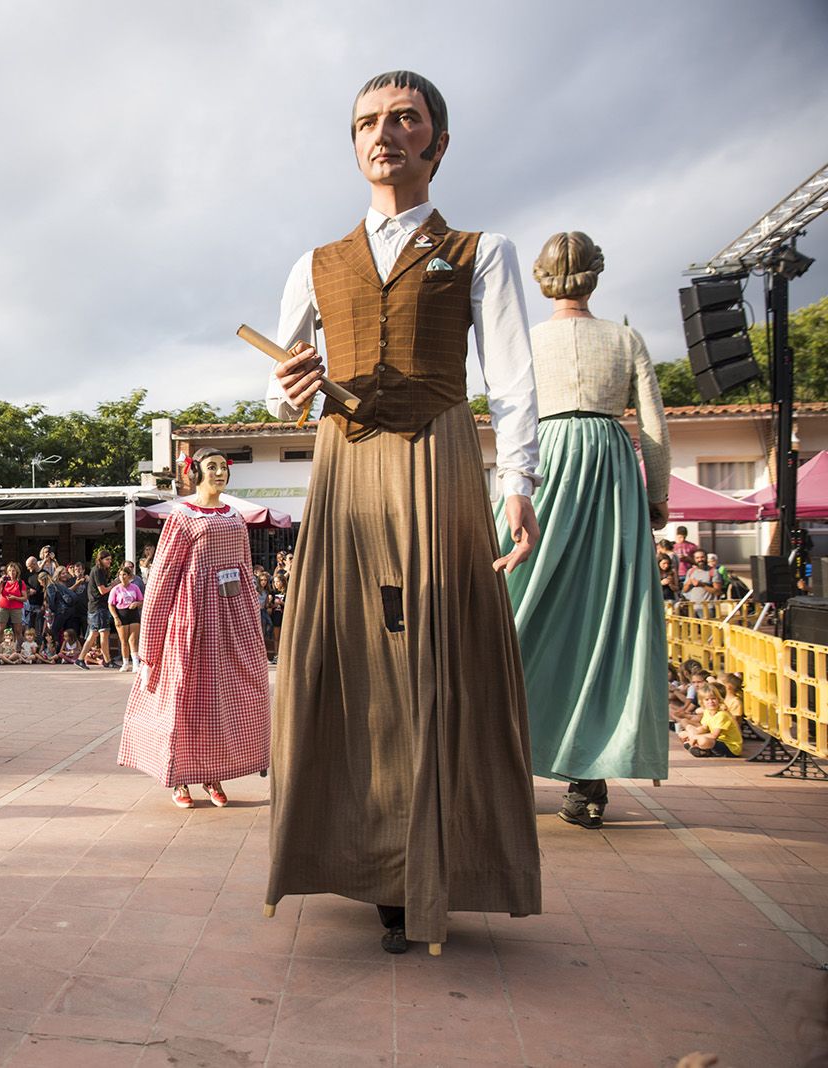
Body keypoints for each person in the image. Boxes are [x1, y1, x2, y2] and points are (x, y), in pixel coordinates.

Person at [263, 70, 543, 954]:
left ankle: (434, 867)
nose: (385, 133)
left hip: (439, 456)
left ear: (438, 142)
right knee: (348, 657)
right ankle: (371, 861)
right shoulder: (315, 262)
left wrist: (519, 484)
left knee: (435, 659)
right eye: (368, 122)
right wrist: (288, 385)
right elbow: (279, 400)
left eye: (404, 119)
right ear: (354, 145)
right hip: (346, 466)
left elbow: (513, 378)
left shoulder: (481, 250)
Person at [495, 230, 671, 831]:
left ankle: (501, 756)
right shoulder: (625, 339)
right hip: (611, 476)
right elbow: (653, 428)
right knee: (602, 621)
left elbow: (506, 410)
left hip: (541, 465)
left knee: (515, 608)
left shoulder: (527, 340)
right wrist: (656, 499)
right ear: (595, 275)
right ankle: (586, 780)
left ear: (543, 281)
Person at [118, 448, 269, 809]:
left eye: (223, 467)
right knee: (185, 698)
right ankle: (180, 778)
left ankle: (211, 773)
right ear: (196, 473)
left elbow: (244, 570)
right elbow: (164, 577)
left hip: (230, 616)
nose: (219, 473)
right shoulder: (182, 516)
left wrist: (250, 615)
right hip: (191, 619)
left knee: (226, 699)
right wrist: (152, 641)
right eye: (211, 467)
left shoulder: (235, 515)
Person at [678, 680, 743, 758]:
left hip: (730, 747)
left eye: (713, 699)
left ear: (718, 699)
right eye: (707, 700)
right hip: (717, 741)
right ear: (702, 702)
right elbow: (704, 728)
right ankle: (701, 749)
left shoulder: (722, 715)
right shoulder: (707, 712)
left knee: (703, 740)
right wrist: (693, 732)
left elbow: (714, 735)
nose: (711, 702)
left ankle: (701, 749)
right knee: (683, 733)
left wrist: (695, 737)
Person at [78, 550, 116, 669]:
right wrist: (113, 585)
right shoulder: (98, 570)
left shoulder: (97, 570)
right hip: (98, 607)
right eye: (107, 559)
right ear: (101, 559)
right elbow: (102, 590)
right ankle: (81, 659)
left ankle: (106, 660)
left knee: (100, 633)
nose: (110, 562)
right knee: (98, 633)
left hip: (96, 607)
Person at [107, 562, 144, 673]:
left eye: (124, 575)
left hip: (133, 614)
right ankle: (125, 663)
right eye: (120, 575)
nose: (122, 577)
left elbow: (141, 600)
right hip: (121, 614)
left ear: (129, 576)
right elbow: (111, 604)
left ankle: (136, 664)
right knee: (123, 641)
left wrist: (136, 603)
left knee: (133, 640)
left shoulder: (135, 587)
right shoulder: (116, 589)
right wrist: (115, 617)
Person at [0, 561, 28, 652]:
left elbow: (25, 598)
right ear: (7, 572)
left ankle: (20, 652)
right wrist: (0, 582)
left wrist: (15, 598)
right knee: (1, 630)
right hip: (3, 607)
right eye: (9, 571)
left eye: (13, 571)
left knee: (18, 630)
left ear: (17, 572)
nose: (11, 573)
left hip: (16, 608)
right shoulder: (4, 581)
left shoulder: (20, 583)